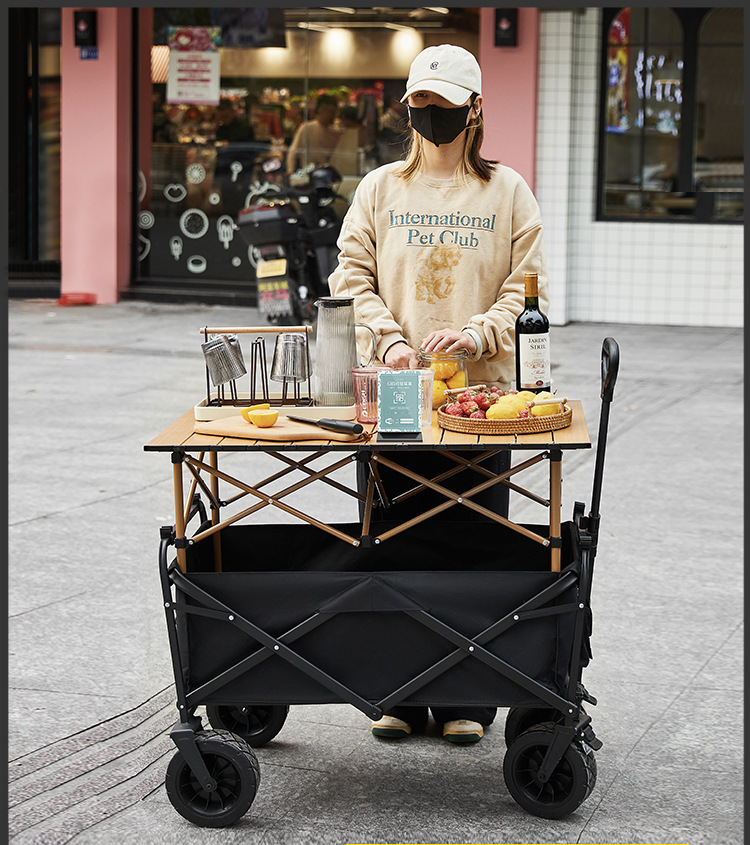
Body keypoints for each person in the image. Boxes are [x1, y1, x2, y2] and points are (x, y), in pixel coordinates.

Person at [327, 44, 549, 745]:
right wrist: (389, 337)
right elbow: (350, 276)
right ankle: (396, 691)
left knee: (472, 544)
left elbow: (528, 284)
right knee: (390, 541)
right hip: (391, 395)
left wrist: (481, 332)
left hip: (475, 406)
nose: (433, 118)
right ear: (408, 108)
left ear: (475, 109)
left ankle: (467, 698)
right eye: (421, 106)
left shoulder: (507, 191)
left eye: (446, 108)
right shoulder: (380, 189)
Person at [286, 94, 341, 175]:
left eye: (335, 113)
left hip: (328, 174)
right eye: (331, 112)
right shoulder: (306, 128)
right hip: (308, 173)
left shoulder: (335, 132)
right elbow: (293, 151)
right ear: (321, 110)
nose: (333, 116)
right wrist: (290, 170)